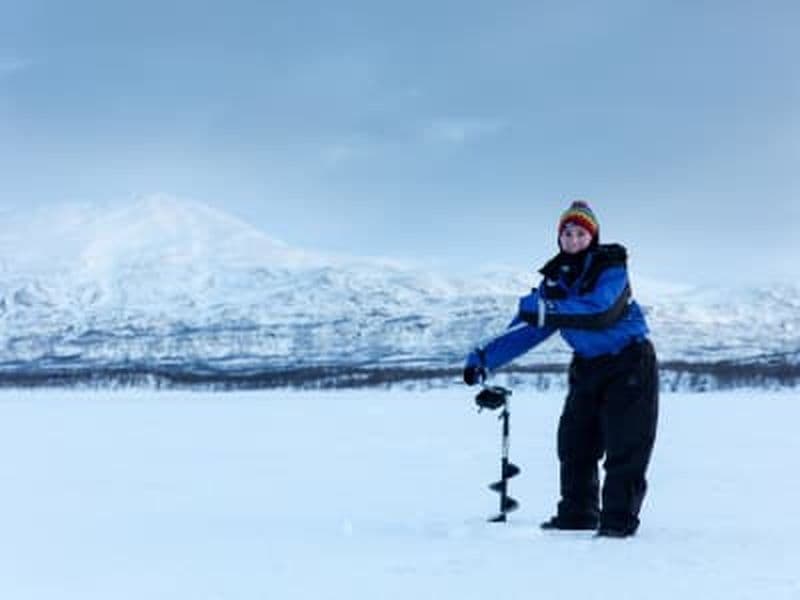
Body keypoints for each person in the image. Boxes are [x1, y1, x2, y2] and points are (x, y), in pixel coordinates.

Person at [463, 200, 658, 538]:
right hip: (587, 366)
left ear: (592, 236)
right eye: (566, 233)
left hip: (629, 363)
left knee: (625, 445)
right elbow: (526, 329)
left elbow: (600, 312)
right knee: (574, 442)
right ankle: (578, 513)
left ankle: (617, 521)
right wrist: (483, 359)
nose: (572, 239)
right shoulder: (554, 281)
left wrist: (545, 309)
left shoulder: (611, 268)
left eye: (580, 232)